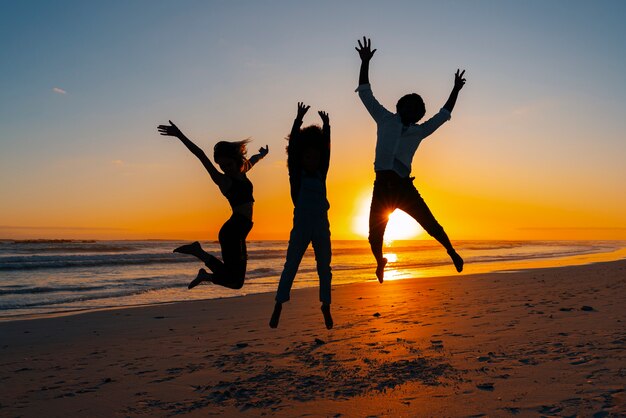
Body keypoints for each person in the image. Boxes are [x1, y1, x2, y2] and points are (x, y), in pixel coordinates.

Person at [355, 36, 466, 283]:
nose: (413, 111)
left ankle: (452, 252)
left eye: (417, 109)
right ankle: (380, 261)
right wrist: (365, 62)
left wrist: (455, 90)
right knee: (374, 234)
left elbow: (443, 115)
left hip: (405, 187)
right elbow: (365, 93)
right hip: (382, 186)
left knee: (430, 223)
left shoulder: (419, 130)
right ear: (401, 106)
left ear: (418, 115)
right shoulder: (384, 119)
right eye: (410, 106)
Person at [157, 120, 268, 290]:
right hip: (231, 232)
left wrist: (263, 154)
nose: (226, 169)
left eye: (228, 164)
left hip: (240, 232)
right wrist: (179, 135)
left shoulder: (243, 170)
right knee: (235, 281)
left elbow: (253, 160)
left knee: (236, 281)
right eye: (222, 166)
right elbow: (200, 154)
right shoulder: (223, 180)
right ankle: (198, 254)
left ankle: (203, 268)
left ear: (236, 160)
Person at [269, 102, 333, 330]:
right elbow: (294, 148)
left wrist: (327, 127)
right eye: (308, 157)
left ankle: (326, 304)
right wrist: (298, 120)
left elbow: (327, 152)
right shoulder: (296, 176)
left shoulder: (321, 173)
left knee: (324, 267)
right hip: (302, 226)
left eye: (316, 157)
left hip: (321, 225)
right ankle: (279, 303)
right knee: (291, 265)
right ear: (301, 158)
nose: (313, 160)